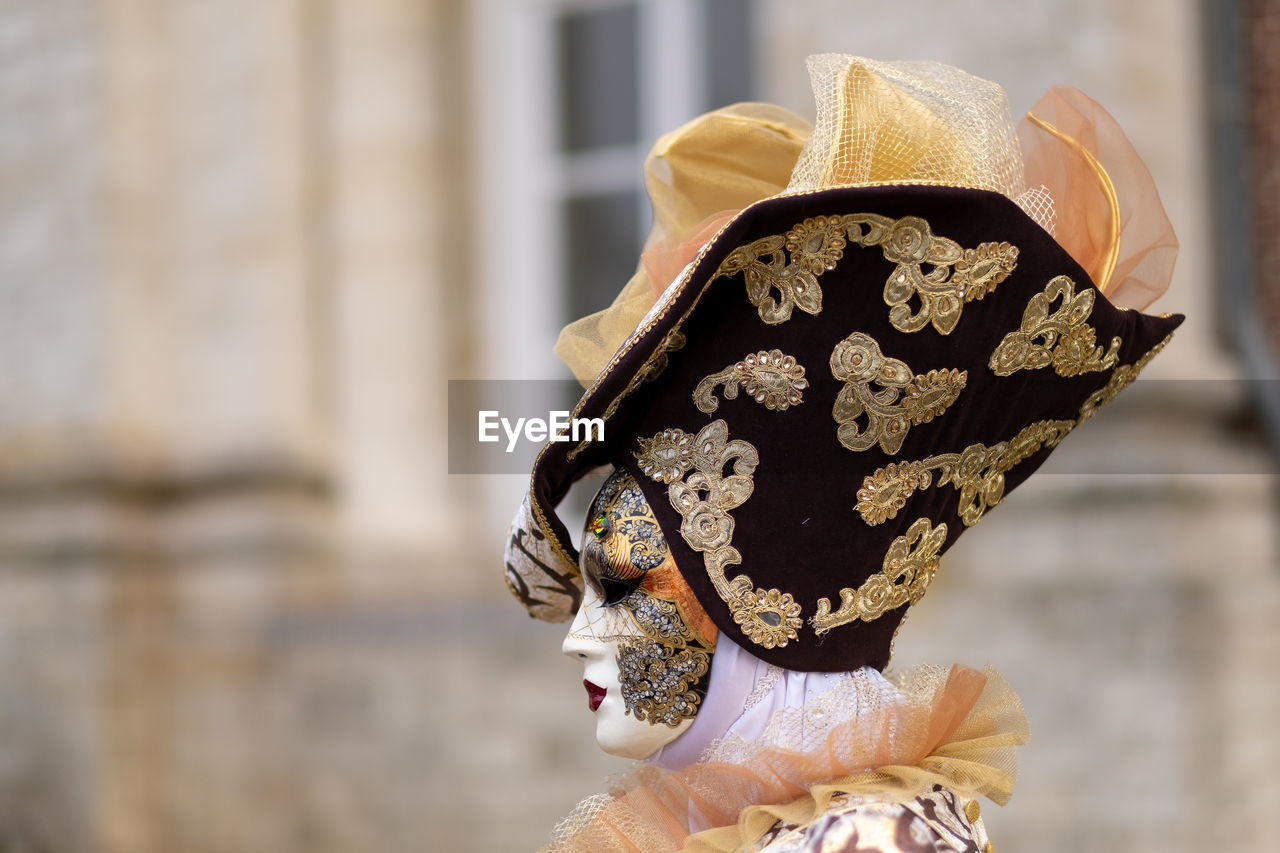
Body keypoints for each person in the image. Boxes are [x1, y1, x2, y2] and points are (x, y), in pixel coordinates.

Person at [504, 55, 1181, 852]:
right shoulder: (733, 823)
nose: (576, 637)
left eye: (623, 583)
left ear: (761, 594)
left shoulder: (873, 839)